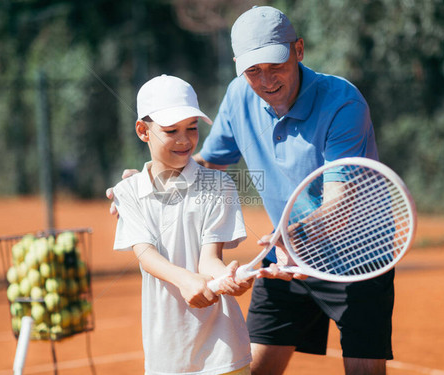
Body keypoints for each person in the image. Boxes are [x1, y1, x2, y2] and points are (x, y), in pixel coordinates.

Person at [108, 6, 393, 375]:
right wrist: (150, 182)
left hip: (357, 260)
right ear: (238, 66)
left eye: (276, 66)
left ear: (299, 50)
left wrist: (292, 236)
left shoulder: (343, 103)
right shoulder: (239, 96)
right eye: (253, 71)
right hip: (285, 259)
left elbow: (340, 202)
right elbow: (204, 166)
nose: (266, 80)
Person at [111, 74, 253, 375]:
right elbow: (146, 255)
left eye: (192, 128)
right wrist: (185, 280)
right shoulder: (126, 191)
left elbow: (210, 259)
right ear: (143, 131)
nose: (185, 139)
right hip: (167, 355)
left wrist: (227, 278)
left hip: (224, 353)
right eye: (171, 130)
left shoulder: (220, 184)